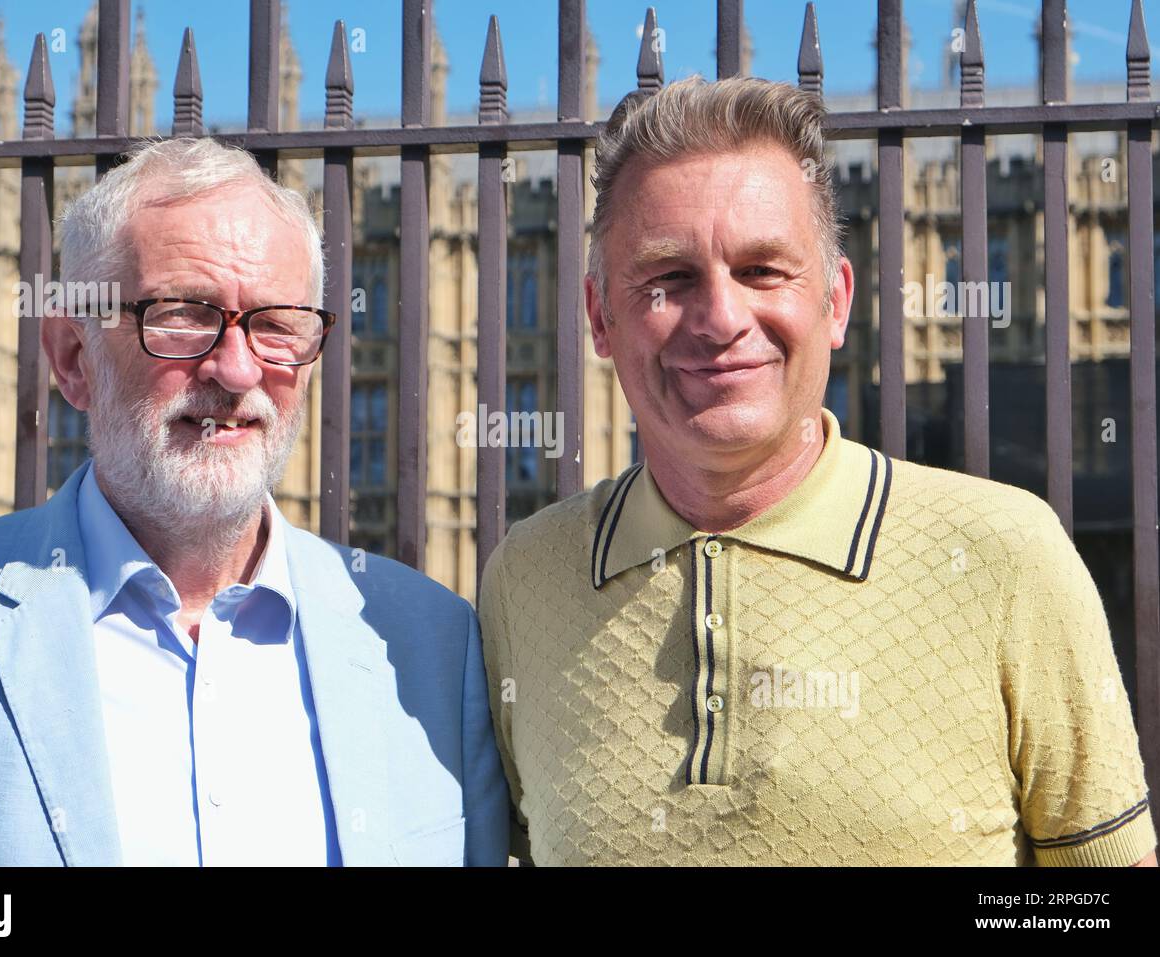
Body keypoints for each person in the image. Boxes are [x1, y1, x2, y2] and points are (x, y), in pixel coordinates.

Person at [478, 76, 1157, 866]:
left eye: (763, 270)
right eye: (668, 278)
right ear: (600, 317)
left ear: (836, 302)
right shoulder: (523, 582)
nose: (722, 319)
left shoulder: (1006, 555)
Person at [0, 138, 508, 866]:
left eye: (275, 323)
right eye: (183, 314)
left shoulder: (436, 649)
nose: (236, 369)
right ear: (74, 356)